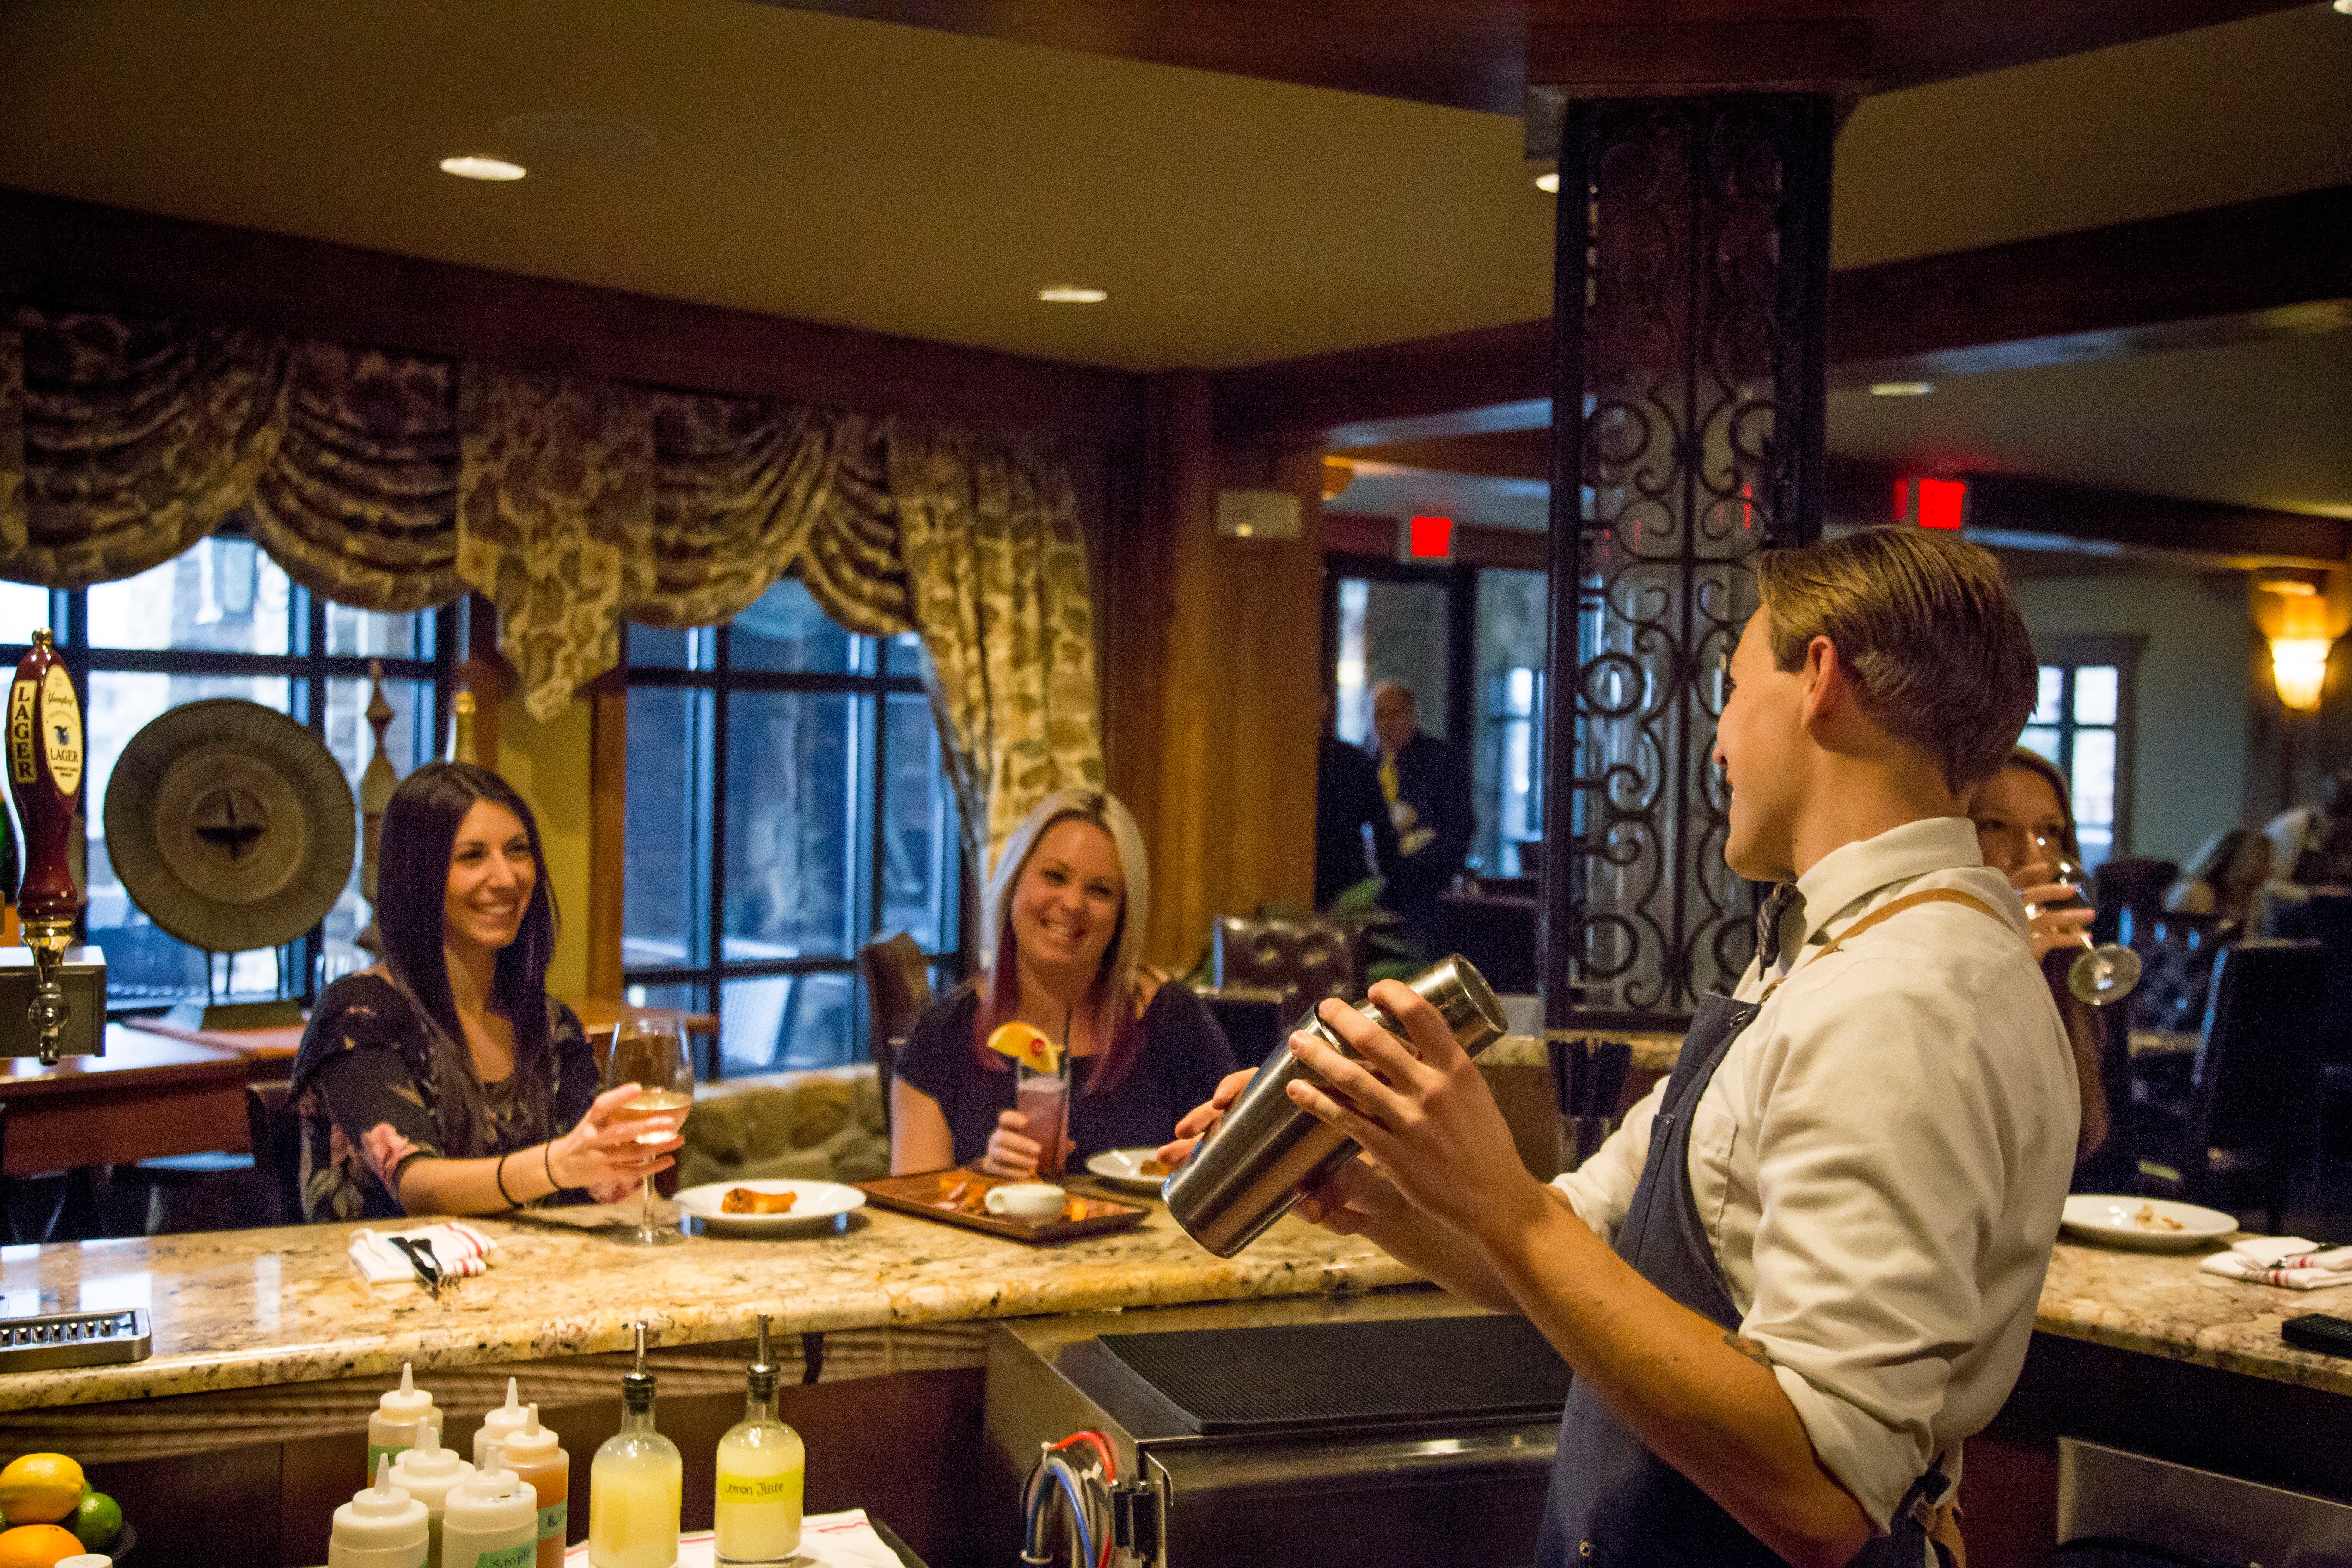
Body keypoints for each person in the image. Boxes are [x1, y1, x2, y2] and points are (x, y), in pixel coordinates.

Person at [1168, 528, 2075, 1568]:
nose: (1719, 740)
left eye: (1731, 689)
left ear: (1819, 678)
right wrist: (1385, 1186)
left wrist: (1501, 1204)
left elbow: (1822, 1489)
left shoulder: (1902, 999)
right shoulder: (1829, 951)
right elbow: (1580, 1251)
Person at [288, 763, 681, 1221]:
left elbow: (599, 1176)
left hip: (531, 1284)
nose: (506, 878)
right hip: (384, 1286)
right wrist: (556, 1165)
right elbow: (418, 1187)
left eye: (518, 851)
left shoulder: (551, 1026)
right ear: (418, 875)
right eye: (472, 857)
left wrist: (630, 1185)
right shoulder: (358, 1013)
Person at [891, 788, 1237, 1177]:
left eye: (1100, 890)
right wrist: (982, 1176)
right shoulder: (943, 1036)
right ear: (1013, 883)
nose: (1073, 904)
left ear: (1123, 915)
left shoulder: (1175, 1023)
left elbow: (1237, 1168)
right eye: (1055, 876)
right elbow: (912, 1213)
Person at [1968, 746, 2137, 1191]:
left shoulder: (2085, 979)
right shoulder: (1935, 977)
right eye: (1995, 826)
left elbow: (2113, 1169)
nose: (2033, 858)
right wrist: (2006, 975)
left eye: (2050, 832)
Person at [1366, 680, 1475, 933]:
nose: (1387, 724)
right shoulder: (1368, 766)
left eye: (1394, 714)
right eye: (1379, 716)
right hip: (1379, 893)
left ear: (1410, 714)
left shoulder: (1440, 759)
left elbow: (1460, 826)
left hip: (1428, 893)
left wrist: (1426, 866)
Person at [1315, 720, 1398, 909]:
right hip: (1347, 883)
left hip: (1298, 880)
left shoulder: (1282, 763)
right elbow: (1383, 830)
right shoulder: (1354, 759)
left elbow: (1382, 830)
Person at [2164, 827, 2273, 931]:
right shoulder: (2195, 893)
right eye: (2257, 857)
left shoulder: (2251, 899)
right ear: (2231, 858)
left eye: (2266, 859)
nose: (2264, 867)